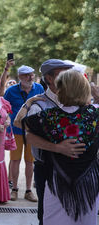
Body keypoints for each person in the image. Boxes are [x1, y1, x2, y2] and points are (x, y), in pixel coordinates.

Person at [24, 69, 99, 225]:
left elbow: (27, 134)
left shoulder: (50, 117)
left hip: (57, 184)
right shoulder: (94, 115)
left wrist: (56, 147)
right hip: (88, 185)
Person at [12, 59, 81, 225]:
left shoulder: (75, 101)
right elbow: (23, 129)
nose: (68, 76)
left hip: (72, 166)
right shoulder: (39, 104)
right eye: (62, 73)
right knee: (46, 215)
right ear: (49, 78)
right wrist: (57, 148)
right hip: (47, 167)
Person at [4, 65, 44, 202]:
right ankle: (14, 189)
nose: (30, 77)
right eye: (27, 75)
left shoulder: (39, 88)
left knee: (30, 161)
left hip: (32, 131)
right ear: (20, 77)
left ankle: (28, 190)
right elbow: (4, 108)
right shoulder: (10, 91)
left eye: (32, 74)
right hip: (15, 131)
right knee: (15, 160)